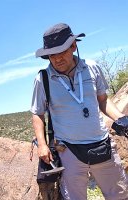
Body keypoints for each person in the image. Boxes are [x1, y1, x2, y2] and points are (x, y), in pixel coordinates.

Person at [30, 23, 128, 200]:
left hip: (102, 144)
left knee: (120, 195)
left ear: (74, 46)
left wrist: (121, 118)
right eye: (52, 54)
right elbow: (37, 113)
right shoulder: (42, 79)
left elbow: (103, 100)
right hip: (69, 151)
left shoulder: (91, 67)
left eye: (62, 52)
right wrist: (42, 145)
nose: (57, 59)